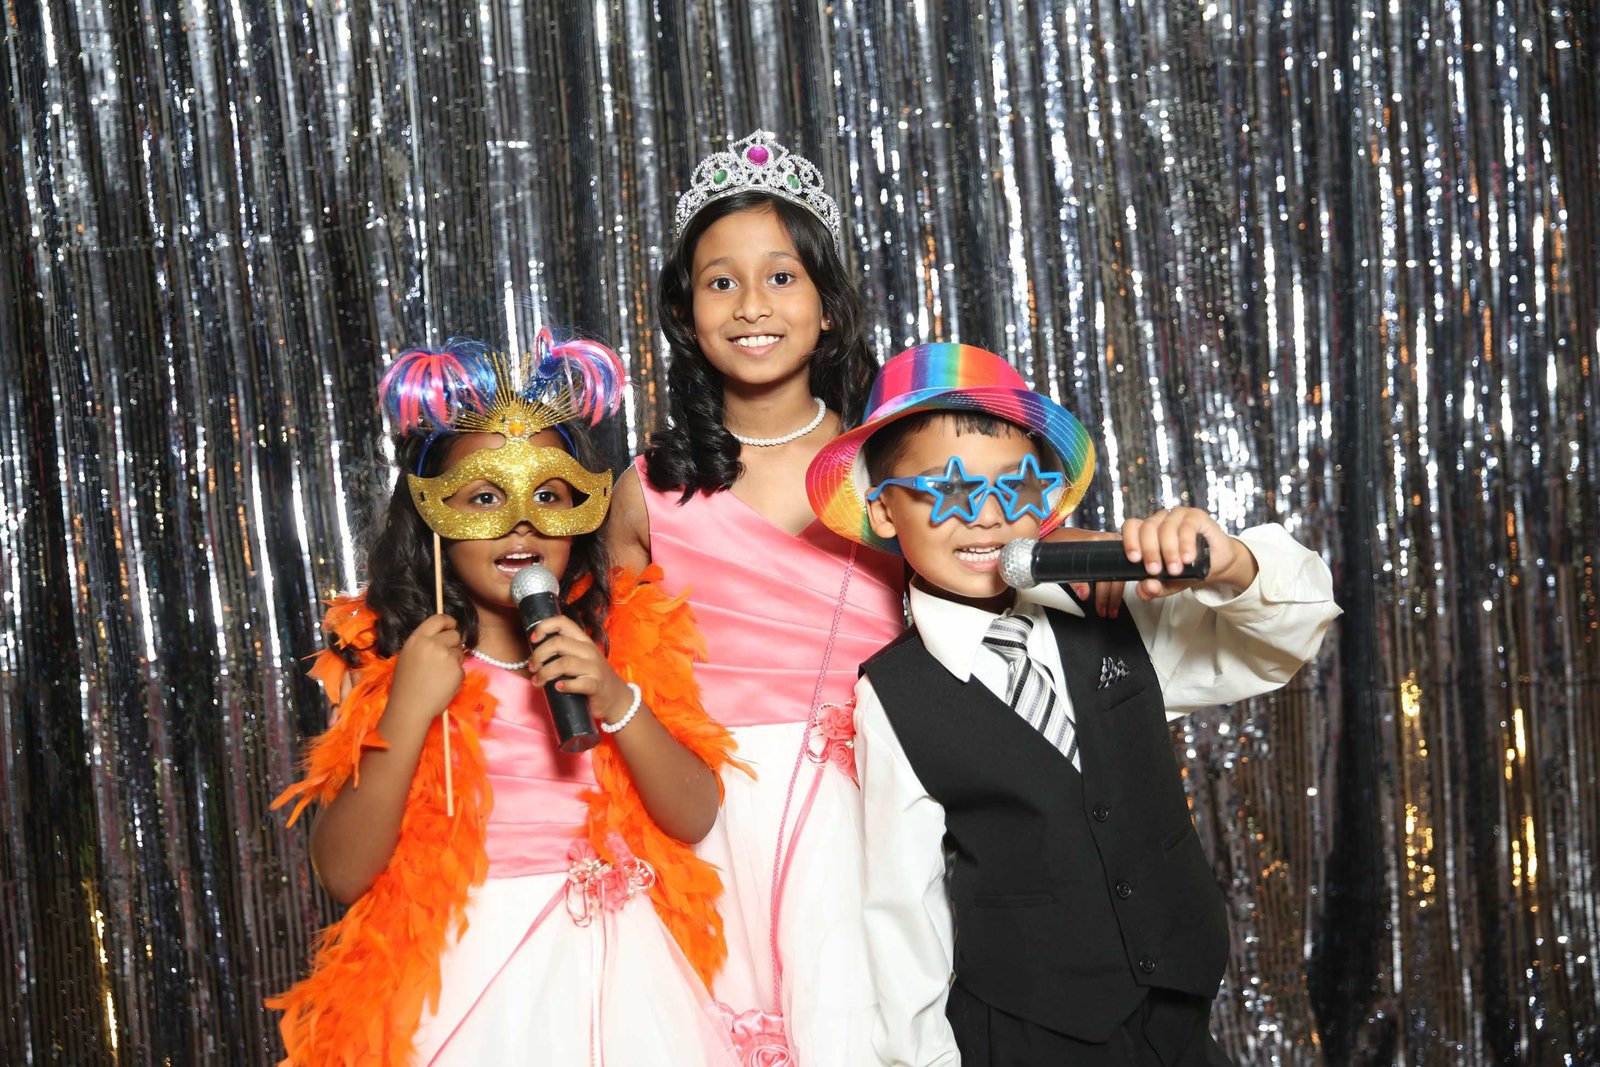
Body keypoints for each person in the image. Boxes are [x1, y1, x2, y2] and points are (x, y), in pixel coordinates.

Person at [805, 342, 1341, 1066]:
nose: (989, 515)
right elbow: (905, 910)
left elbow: (1289, 633)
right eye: (948, 489)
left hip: (1177, 1015)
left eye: (1016, 486)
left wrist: (1231, 563)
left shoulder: (1111, 607)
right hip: (1029, 1034)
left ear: (1047, 500)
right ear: (884, 507)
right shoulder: (893, 695)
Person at [269, 333, 740, 1066]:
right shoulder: (407, 666)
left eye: (549, 494)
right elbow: (341, 870)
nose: (522, 521)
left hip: (626, 982)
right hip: (470, 978)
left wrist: (617, 697)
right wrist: (407, 710)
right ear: (433, 519)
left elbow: (696, 813)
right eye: (485, 496)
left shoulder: (619, 645)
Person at [605, 130, 905, 1062]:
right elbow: (621, 684)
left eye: (781, 276)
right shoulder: (646, 489)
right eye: (719, 281)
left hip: (874, 819)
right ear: (686, 312)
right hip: (706, 827)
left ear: (828, 302)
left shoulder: (895, 470)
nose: (751, 305)